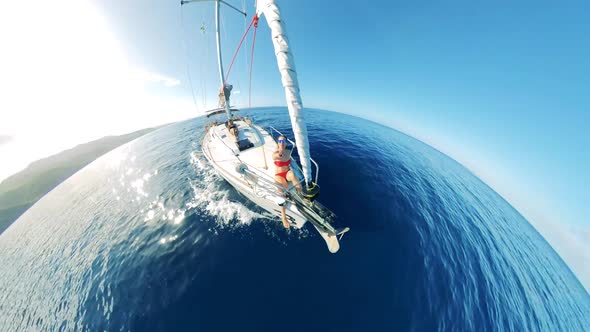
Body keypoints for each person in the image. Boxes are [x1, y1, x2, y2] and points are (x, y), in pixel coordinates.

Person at [273, 135, 301, 228]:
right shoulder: (276, 153)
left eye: (283, 141)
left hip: (287, 173)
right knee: (282, 193)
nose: (281, 143)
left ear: (286, 143)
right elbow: (277, 156)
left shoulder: (289, 152)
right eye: (280, 141)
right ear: (277, 143)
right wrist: (280, 152)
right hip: (279, 176)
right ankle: (283, 217)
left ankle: (301, 194)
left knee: (292, 174)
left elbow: (289, 162)